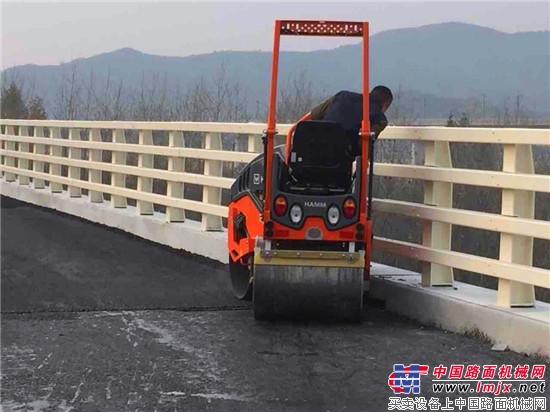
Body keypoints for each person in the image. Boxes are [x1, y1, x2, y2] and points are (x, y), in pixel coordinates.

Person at [308, 86, 393, 155]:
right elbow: (363, 145)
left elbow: (314, 114)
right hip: (339, 162)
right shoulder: (380, 119)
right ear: (385, 105)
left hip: (312, 151)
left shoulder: (342, 96)